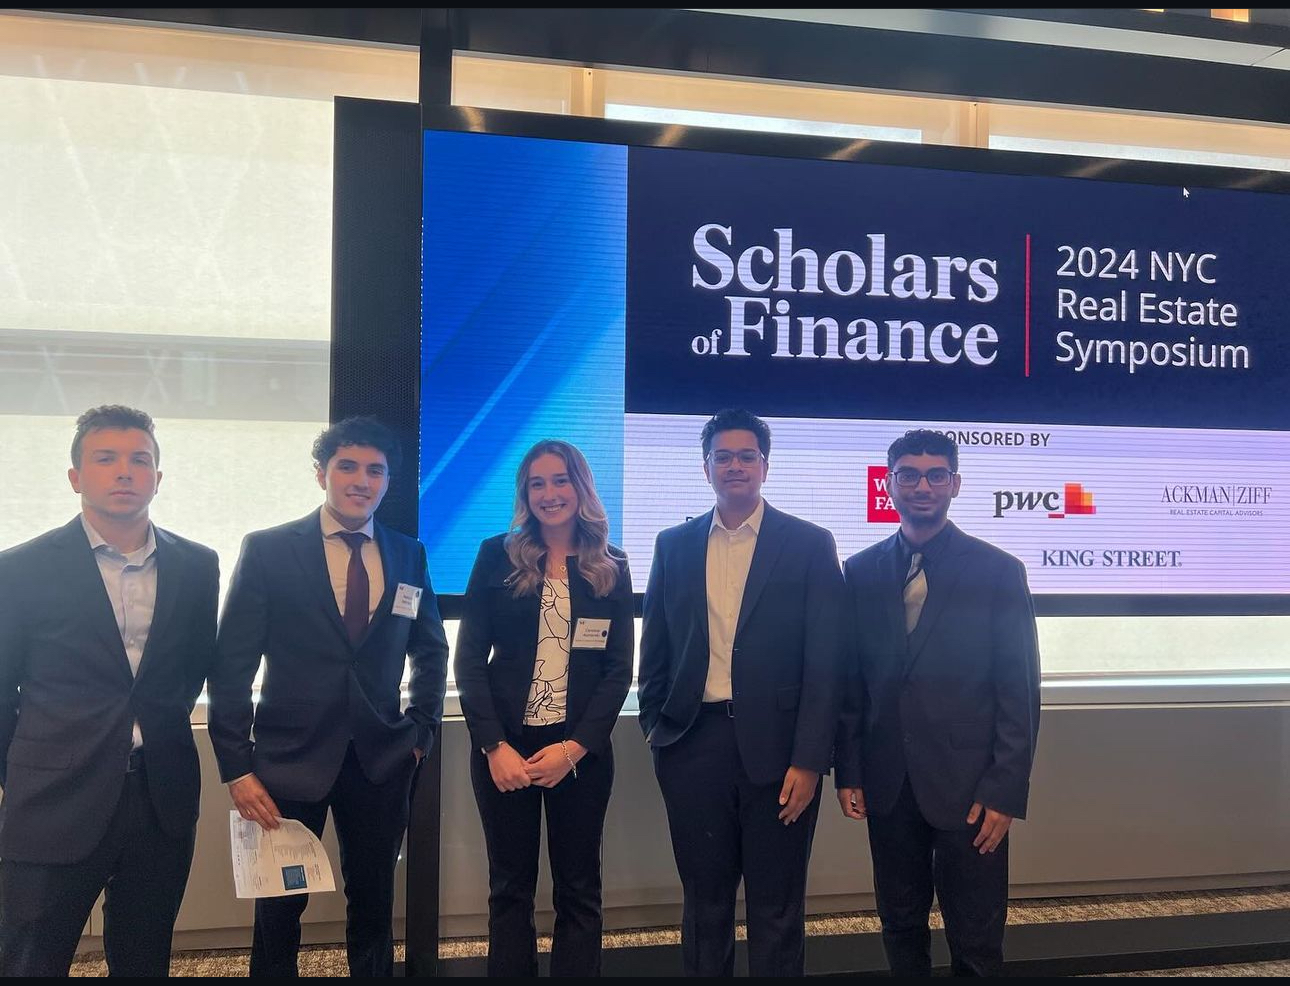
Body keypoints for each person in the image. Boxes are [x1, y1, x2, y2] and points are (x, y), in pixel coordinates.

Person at [207, 415, 449, 977]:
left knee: (373, 901)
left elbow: (430, 649)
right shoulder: (268, 550)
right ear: (321, 474)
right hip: (286, 762)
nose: (360, 480)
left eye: (375, 470)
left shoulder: (408, 554)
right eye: (347, 466)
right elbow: (231, 666)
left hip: (381, 759)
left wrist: (421, 730)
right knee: (279, 906)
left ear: (387, 481)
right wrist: (236, 767)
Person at [0, 406, 218, 977]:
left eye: (139, 460)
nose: (124, 471)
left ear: (157, 477)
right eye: (106, 459)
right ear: (75, 476)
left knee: (144, 957)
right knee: (31, 957)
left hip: (160, 794)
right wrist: (20, 775)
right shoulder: (20, 569)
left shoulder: (197, 565)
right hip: (53, 798)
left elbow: (191, 669)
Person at [638, 408, 846, 977]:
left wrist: (810, 759)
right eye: (723, 457)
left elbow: (826, 663)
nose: (735, 466)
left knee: (777, 907)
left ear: (765, 466)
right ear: (706, 467)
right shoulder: (673, 545)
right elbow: (654, 649)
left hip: (781, 754)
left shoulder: (808, 544)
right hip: (692, 746)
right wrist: (660, 732)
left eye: (746, 456)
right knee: (705, 906)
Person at [834, 429, 1041, 977]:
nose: (921, 485)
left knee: (975, 935)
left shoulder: (997, 571)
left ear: (954, 483)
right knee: (899, 924)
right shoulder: (861, 571)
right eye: (907, 474)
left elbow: (1018, 690)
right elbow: (852, 684)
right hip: (888, 782)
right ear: (889, 483)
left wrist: (1004, 790)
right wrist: (849, 770)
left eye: (934, 475)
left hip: (971, 788)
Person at [455, 439, 634, 977]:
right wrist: (493, 745)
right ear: (525, 493)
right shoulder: (497, 554)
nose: (550, 494)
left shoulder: (612, 566)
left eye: (561, 481)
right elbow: (468, 661)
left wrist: (574, 749)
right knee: (509, 888)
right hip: (504, 752)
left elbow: (618, 670)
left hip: (578, 753)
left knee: (580, 889)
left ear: (580, 488)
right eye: (538, 483)